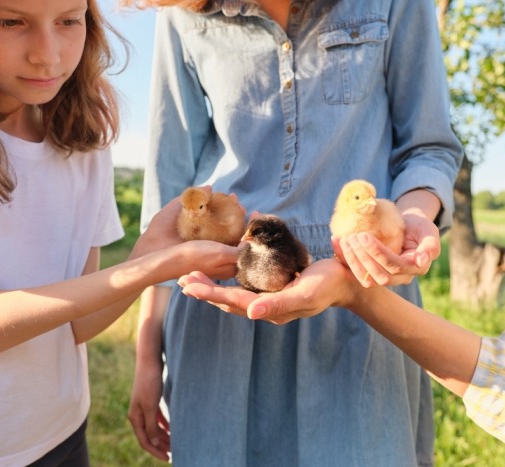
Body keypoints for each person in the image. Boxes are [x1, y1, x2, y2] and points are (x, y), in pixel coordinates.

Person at [178, 0, 505, 460]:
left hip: (364, 282)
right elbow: (172, 183)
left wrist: (400, 231)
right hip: (226, 293)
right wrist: (150, 346)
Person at [126, 0, 463, 465]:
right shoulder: (181, 12)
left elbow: (427, 146)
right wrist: (147, 356)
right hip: (223, 302)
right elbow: (168, 190)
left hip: (360, 290)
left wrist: (412, 218)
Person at [0, 0, 239, 465]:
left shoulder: (82, 135)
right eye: (11, 21)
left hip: (61, 429)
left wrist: (148, 251)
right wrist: (152, 268)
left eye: (68, 21)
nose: (48, 54)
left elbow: (77, 325)